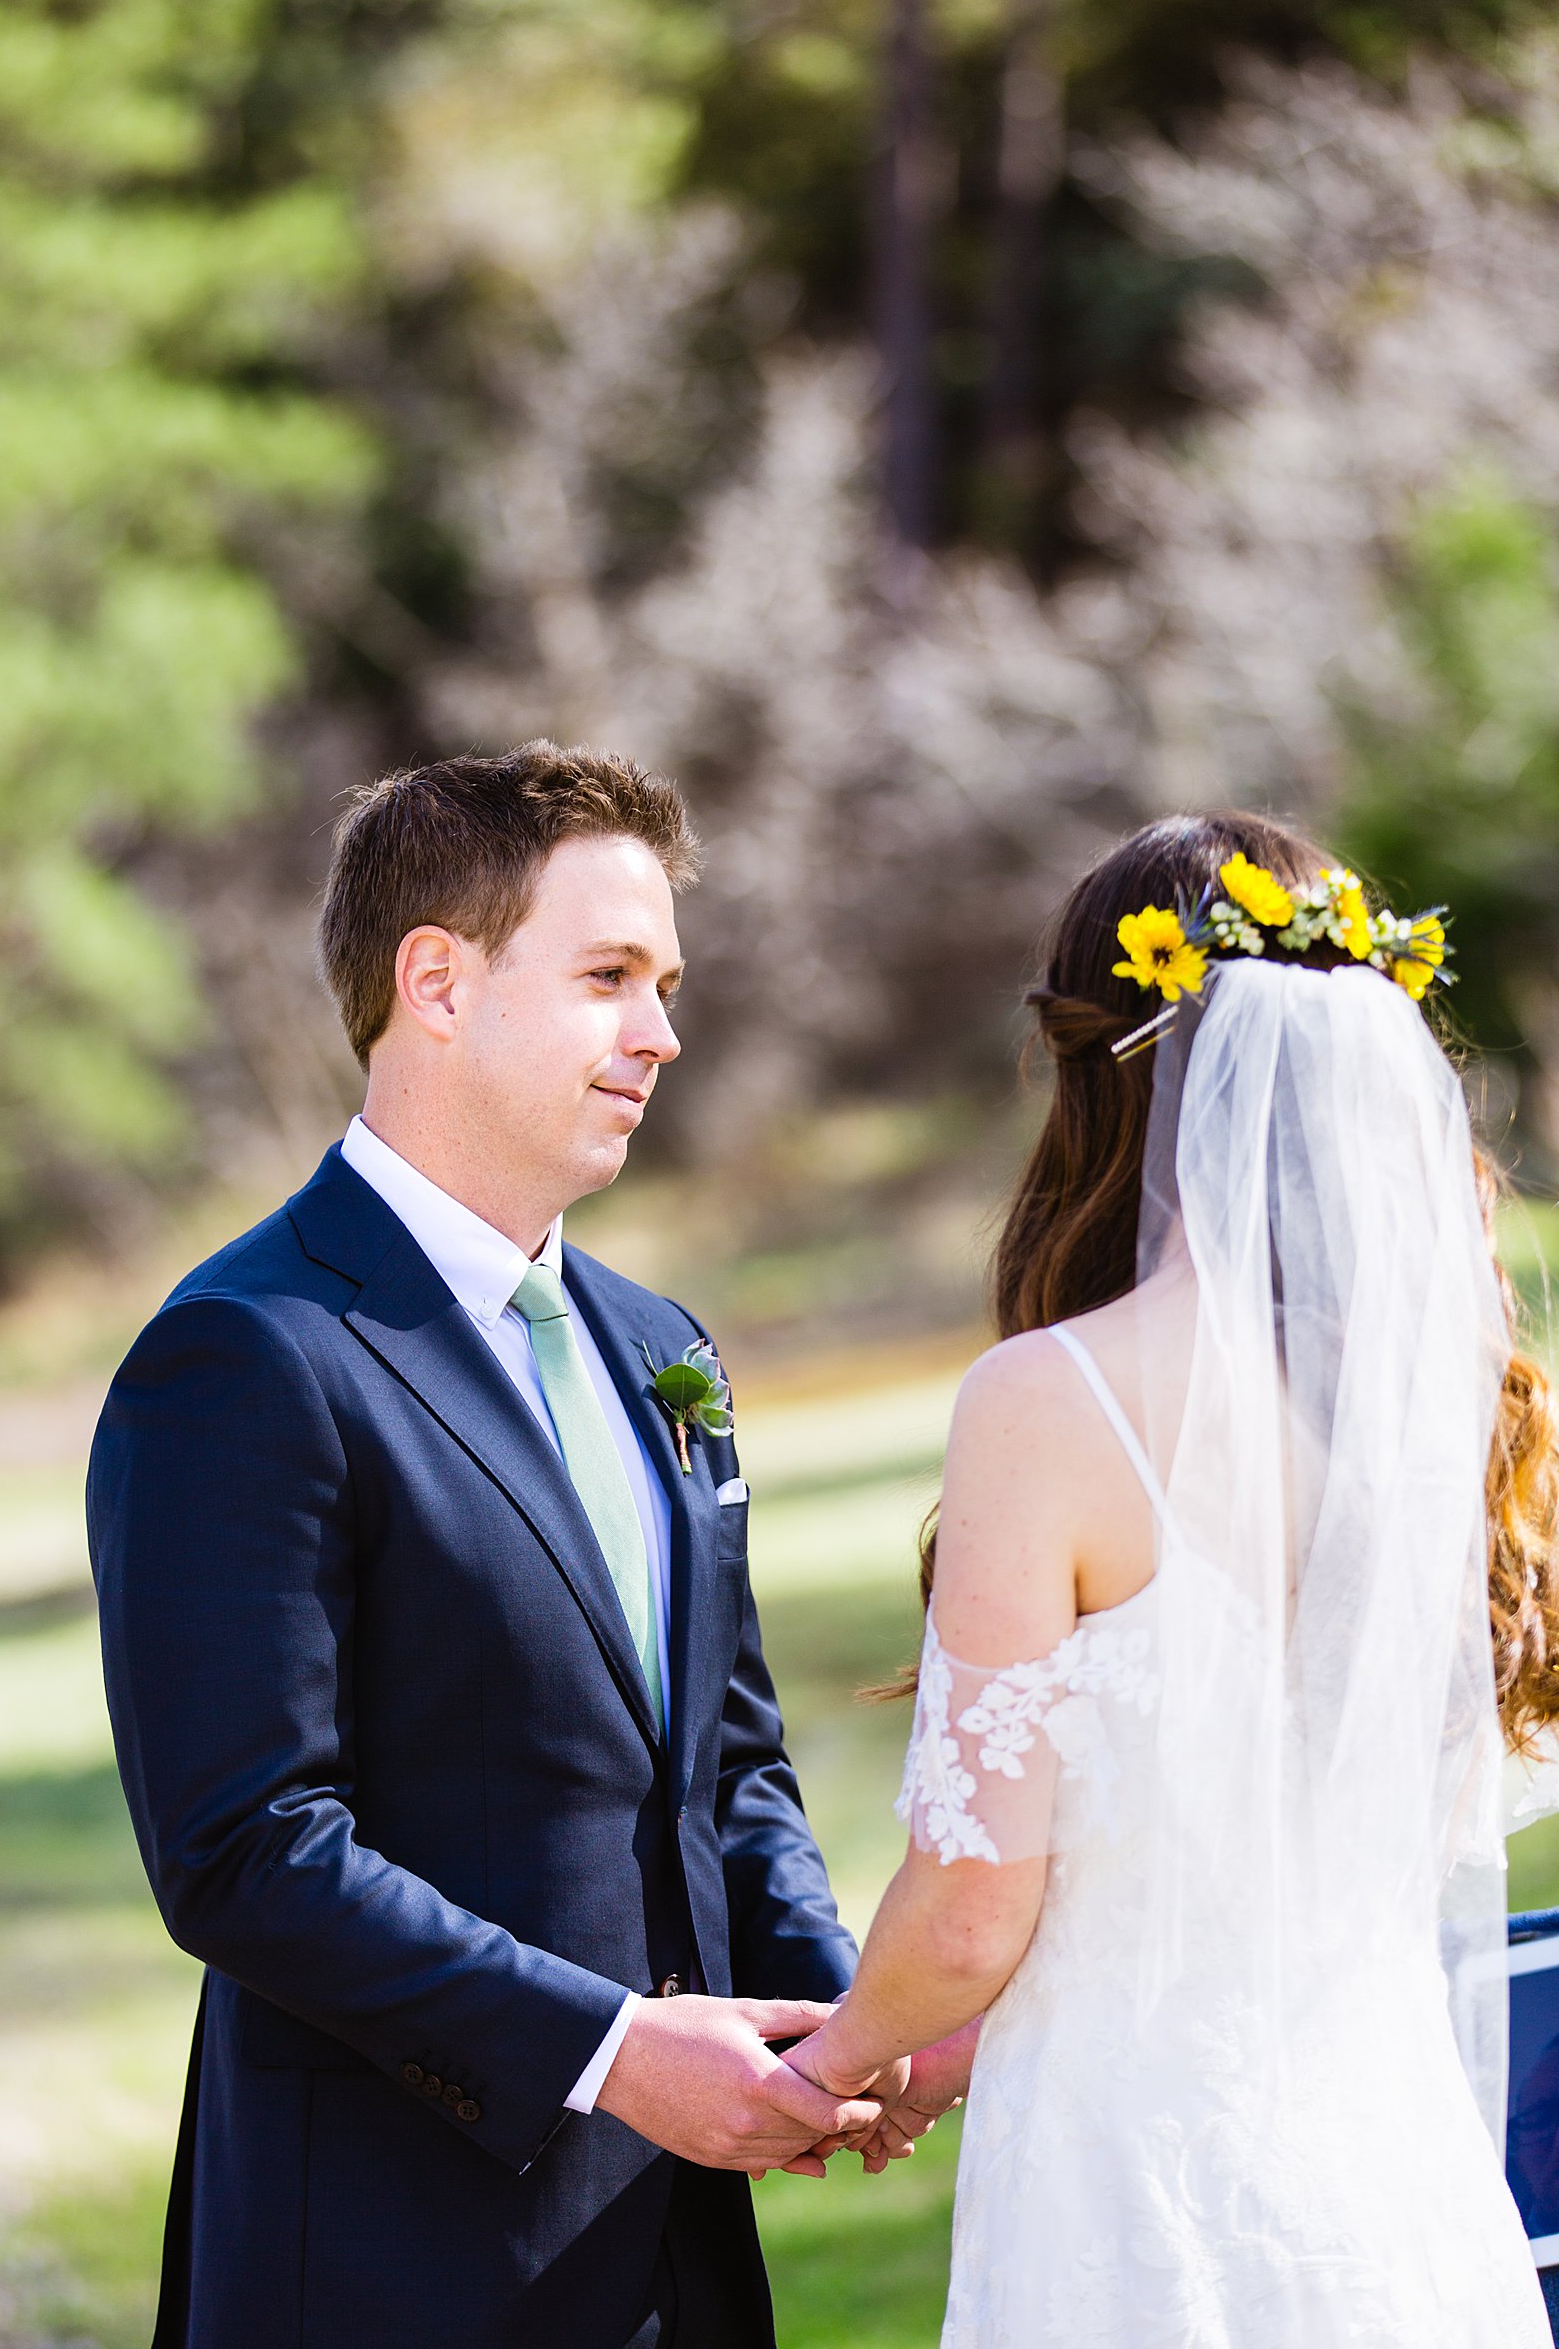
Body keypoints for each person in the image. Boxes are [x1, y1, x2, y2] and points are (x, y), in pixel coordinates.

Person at [87, 744, 920, 2349]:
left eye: (666, 981)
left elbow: (726, 1758)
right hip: (391, 2263)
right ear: (438, 983)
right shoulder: (248, 1352)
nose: (663, 1033)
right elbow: (247, 1850)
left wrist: (831, 2017)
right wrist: (614, 2051)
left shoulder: (660, 1344)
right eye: (611, 975)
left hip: (674, 2259)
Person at [788, 811, 1559, 2345]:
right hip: (1399, 2193)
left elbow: (969, 1912)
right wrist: (937, 2057)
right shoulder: (1454, 1405)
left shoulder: (1050, 1403)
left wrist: (823, 2070)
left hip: (1135, 2199)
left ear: (1105, 1074)